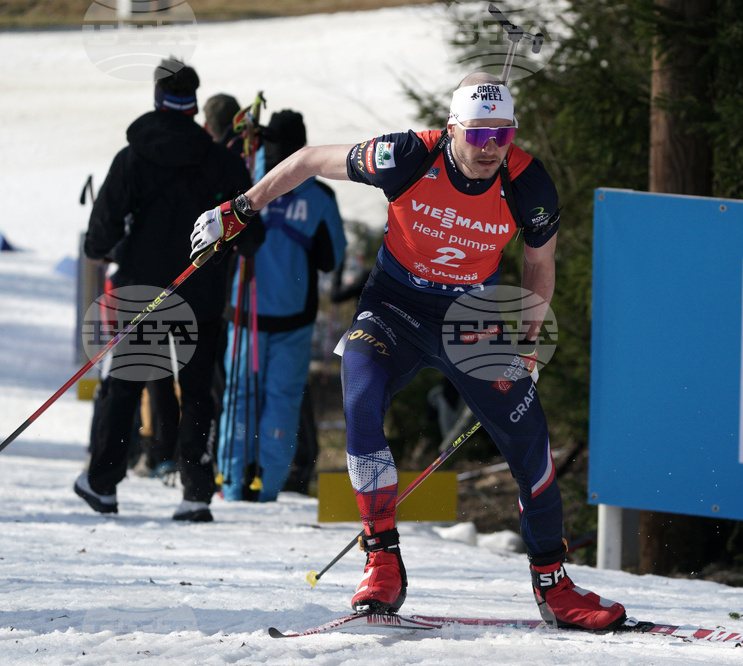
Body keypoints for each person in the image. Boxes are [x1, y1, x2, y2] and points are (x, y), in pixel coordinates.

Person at [190, 73, 627, 632]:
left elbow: (539, 265)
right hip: (393, 310)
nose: (493, 147)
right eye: (480, 134)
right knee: (361, 397)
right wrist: (241, 208)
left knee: (529, 440)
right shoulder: (405, 156)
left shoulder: (528, 183)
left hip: (471, 322)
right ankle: (382, 559)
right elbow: (306, 160)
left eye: (504, 134)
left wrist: (530, 348)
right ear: (452, 130)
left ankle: (554, 585)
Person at [77, 57, 256, 522]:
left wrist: (106, 247)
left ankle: (103, 483)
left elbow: (101, 230)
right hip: (201, 290)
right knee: (197, 391)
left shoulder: (134, 156)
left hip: (144, 291)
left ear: (158, 97)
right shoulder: (222, 160)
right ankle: (196, 493)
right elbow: (253, 234)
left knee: (127, 385)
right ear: (194, 103)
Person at [216, 109, 347, 502]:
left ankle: (231, 481)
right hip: (292, 318)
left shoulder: (245, 184)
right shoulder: (319, 196)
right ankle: (268, 486)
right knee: (282, 400)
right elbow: (331, 258)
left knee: (238, 397)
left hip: (243, 316)